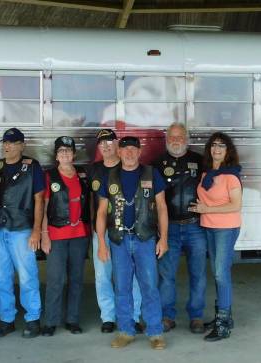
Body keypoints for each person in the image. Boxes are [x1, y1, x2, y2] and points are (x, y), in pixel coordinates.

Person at [96, 136, 169, 350]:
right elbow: (101, 212)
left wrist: (163, 238)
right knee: (122, 287)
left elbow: (162, 207)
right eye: (125, 149)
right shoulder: (109, 176)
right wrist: (101, 242)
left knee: (149, 287)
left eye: (133, 149)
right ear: (119, 152)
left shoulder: (151, 173)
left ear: (139, 152)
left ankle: (155, 332)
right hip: (118, 240)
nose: (129, 153)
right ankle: (126, 331)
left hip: (145, 239)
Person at [0, 127, 45, 339]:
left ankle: (33, 318)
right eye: (5, 142)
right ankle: (7, 320)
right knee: (1, 278)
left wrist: (37, 230)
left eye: (12, 143)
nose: (7, 146)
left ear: (22, 145)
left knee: (27, 276)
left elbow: (39, 199)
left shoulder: (32, 167)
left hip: (22, 229)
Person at [87, 129, 143, 334]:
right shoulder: (93, 170)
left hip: (127, 232)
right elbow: (93, 204)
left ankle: (133, 316)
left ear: (117, 146)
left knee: (130, 276)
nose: (105, 146)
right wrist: (95, 233)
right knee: (103, 275)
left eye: (110, 141)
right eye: (102, 142)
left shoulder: (128, 166)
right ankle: (108, 317)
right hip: (102, 231)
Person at [189, 132, 243, 342]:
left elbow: (236, 205)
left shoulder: (231, 175)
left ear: (228, 150)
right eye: (213, 145)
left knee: (221, 274)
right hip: (209, 227)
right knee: (217, 273)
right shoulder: (207, 174)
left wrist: (206, 209)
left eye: (221, 146)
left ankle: (223, 324)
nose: (217, 149)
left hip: (226, 229)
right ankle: (224, 317)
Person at [154, 122, 207, 334]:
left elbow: (213, 188)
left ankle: (196, 316)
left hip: (196, 227)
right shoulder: (156, 164)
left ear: (187, 139)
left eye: (179, 137)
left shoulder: (200, 161)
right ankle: (167, 316)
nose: (176, 141)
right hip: (170, 229)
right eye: (172, 138)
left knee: (199, 273)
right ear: (167, 140)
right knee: (167, 275)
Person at [41, 136, 90, 336]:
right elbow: (42, 208)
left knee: (77, 279)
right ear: (56, 155)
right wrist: (44, 234)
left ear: (74, 154)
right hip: (56, 234)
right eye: (61, 151)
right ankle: (50, 321)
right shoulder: (49, 176)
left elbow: (91, 203)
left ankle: (72, 319)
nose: (65, 154)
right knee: (55, 279)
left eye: (68, 150)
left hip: (79, 234)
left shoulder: (83, 175)